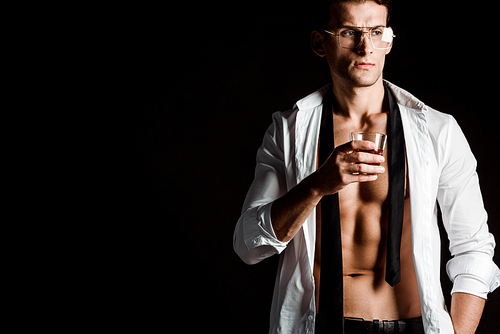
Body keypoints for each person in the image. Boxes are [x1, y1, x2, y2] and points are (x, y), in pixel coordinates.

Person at [233, 1, 500, 333]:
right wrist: (317, 185)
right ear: (320, 42)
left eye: (376, 32)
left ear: (389, 39)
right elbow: (248, 245)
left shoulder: (437, 130)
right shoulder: (288, 132)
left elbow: (473, 246)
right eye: (349, 32)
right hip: (321, 326)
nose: (365, 47)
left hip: (415, 325)